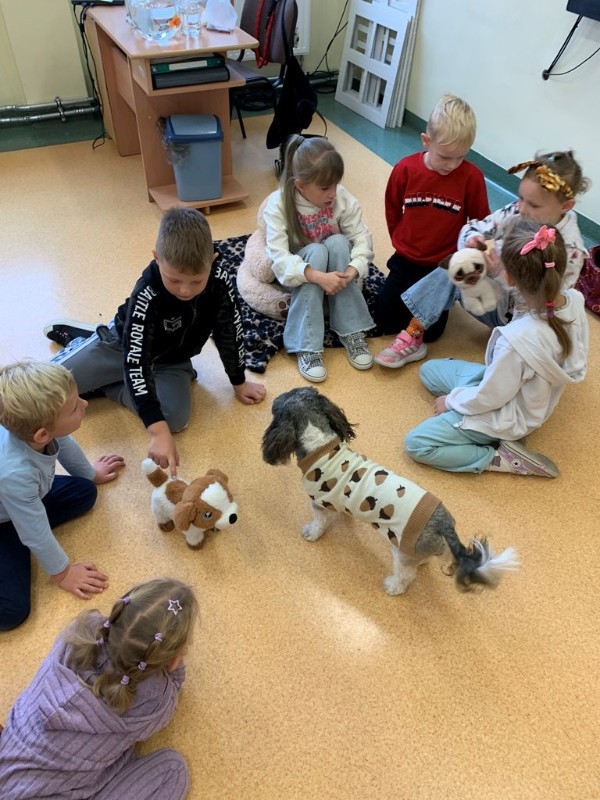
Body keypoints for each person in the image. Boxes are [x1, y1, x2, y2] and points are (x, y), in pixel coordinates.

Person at [44, 207, 266, 476]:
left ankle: (107, 385)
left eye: (197, 281)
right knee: (45, 392)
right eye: (175, 280)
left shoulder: (220, 282)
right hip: (120, 346)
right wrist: (156, 432)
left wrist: (238, 381)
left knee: (174, 419)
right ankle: (84, 339)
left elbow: (230, 331)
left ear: (213, 259)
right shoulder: (147, 292)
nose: (185, 290)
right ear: (157, 258)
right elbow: (136, 360)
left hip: (170, 361)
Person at [404, 217, 589, 477]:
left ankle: (498, 457)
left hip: (508, 413)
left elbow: (491, 397)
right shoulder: (574, 299)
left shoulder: (516, 341)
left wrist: (452, 401)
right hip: (522, 391)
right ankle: (472, 409)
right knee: (429, 371)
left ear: (510, 277)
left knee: (417, 444)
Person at [382, 150, 590, 368]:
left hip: (523, 323)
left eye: (534, 205)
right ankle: (414, 332)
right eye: (521, 198)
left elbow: (545, 308)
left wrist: (502, 275)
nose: (522, 208)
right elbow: (474, 227)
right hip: (497, 297)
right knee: (457, 263)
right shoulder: (519, 211)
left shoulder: (571, 251)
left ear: (566, 206)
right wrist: (471, 240)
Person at [0, 577, 197, 800]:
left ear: (119, 610)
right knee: (174, 770)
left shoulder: (80, 629)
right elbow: (175, 688)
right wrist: (175, 667)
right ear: (171, 658)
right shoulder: (155, 696)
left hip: (6, 770)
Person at [0, 361, 125, 631]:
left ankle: (21, 539)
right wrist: (64, 573)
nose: (85, 404)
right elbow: (33, 530)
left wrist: (91, 474)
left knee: (85, 490)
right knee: (12, 611)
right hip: (6, 518)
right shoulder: (14, 473)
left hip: (18, 502)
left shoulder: (41, 433)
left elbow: (64, 441)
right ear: (42, 434)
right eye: (75, 407)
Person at [373, 93, 490, 366]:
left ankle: (432, 308)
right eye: (445, 157)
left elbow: (481, 221)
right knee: (383, 320)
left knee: (433, 334)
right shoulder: (405, 169)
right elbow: (392, 208)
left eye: (461, 157)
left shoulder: (472, 177)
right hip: (405, 260)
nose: (452, 165)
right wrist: (399, 239)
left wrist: (474, 247)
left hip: (441, 268)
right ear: (426, 141)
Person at [261, 134, 375, 383]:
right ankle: (307, 344)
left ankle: (351, 330)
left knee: (339, 242)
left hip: (335, 270)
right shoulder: (278, 204)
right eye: (324, 188)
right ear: (300, 185)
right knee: (317, 251)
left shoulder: (340, 197)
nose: (333, 193)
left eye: (336, 184)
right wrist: (317, 277)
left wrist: (353, 269)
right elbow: (278, 258)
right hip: (301, 272)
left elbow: (361, 237)